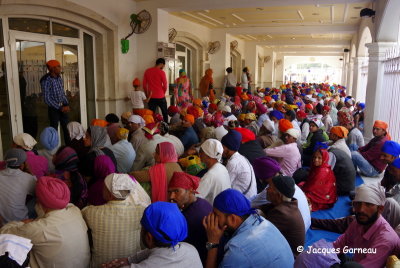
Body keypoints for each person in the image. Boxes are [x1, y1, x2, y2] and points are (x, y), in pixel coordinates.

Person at [0, 176, 90, 268]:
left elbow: (4, 232)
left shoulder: (38, 228)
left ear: (39, 201)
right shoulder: (75, 210)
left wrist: (21, 223)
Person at [203, 189, 294, 268]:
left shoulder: (237, 250)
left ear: (232, 219)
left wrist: (213, 242)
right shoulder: (261, 221)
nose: (212, 217)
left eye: (216, 214)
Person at [102, 202, 202, 268]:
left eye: (142, 227)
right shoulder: (190, 249)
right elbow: (155, 252)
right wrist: (129, 260)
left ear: (149, 237)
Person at [82, 173, 150, 268]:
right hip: (131, 264)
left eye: (104, 187)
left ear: (110, 194)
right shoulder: (141, 211)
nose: (102, 189)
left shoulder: (91, 212)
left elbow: (83, 213)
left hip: (100, 265)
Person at [332, 183, 400, 267]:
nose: (361, 210)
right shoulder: (359, 221)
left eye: (368, 204)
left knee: (349, 266)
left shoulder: (385, 239)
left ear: (380, 209)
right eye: (358, 203)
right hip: (358, 261)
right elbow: (342, 243)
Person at [251, 156, 311, 231]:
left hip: (300, 228)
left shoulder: (273, 190)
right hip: (306, 223)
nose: (267, 189)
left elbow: (252, 204)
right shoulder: (285, 180)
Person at [168, 172, 213, 264]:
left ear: (190, 190)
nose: (171, 197)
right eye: (169, 192)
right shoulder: (202, 202)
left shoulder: (187, 219)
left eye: (176, 191)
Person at [259, 175, 305, 256]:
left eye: (269, 187)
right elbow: (264, 207)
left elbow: (261, 234)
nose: (266, 189)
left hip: (290, 258)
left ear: (278, 195)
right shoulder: (287, 204)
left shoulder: (281, 214)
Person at [0, 149, 36, 225]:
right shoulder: (28, 178)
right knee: (38, 198)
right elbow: (37, 191)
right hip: (21, 222)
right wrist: (30, 172)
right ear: (22, 164)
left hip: (2, 223)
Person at [40, 59, 70, 144]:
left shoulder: (58, 78)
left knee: (66, 130)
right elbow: (47, 98)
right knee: (54, 131)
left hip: (63, 107)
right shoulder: (46, 80)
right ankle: (54, 150)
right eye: (58, 66)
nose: (60, 68)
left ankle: (68, 148)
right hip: (54, 109)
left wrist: (66, 104)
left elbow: (62, 93)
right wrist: (60, 107)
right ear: (52, 69)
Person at [221, 130, 257, 199]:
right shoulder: (241, 158)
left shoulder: (233, 162)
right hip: (248, 196)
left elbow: (224, 186)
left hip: (245, 201)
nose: (220, 149)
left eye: (222, 146)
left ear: (228, 148)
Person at [197, 139, 231, 204]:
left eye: (201, 152)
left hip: (213, 211)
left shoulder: (210, 175)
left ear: (208, 155)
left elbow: (196, 197)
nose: (199, 155)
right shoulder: (222, 168)